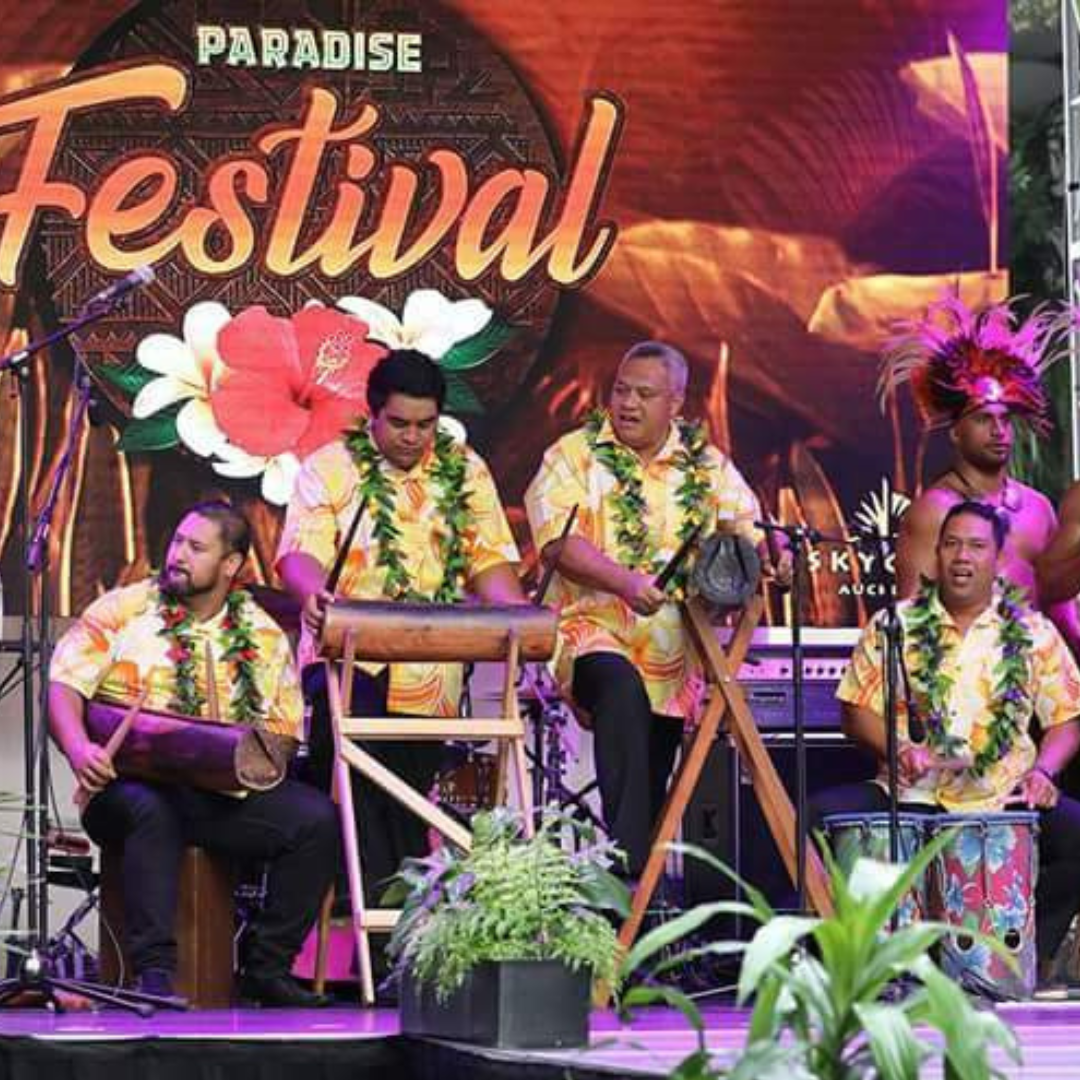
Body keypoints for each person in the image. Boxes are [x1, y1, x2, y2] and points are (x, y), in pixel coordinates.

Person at [49, 501, 338, 1008]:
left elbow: (283, 731)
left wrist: (243, 758)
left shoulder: (264, 636)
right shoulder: (126, 609)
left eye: (196, 547)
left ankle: (265, 968)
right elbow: (63, 688)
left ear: (231, 565)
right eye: (178, 541)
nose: (178, 555)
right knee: (150, 810)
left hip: (218, 794)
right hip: (124, 788)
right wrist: (79, 749)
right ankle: (155, 974)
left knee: (316, 821)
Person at [525, 340, 788, 879]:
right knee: (619, 687)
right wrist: (624, 582)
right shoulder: (571, 455)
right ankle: (624, 873)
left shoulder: (706, 466)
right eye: (621, 390)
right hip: (590, 633)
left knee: (649, 776)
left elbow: (746, 528)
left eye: (645, 394)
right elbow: (557, 542)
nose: (628, 403)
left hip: (674, 658)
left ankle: (632, 910)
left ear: (676, 403)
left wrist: (771, 560)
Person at [276, 349, 526, 903]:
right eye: (399, 424)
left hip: (431, 675)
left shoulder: (465, 469)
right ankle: (366, 942)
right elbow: (300, 554)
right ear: (372, 414)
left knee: (407, 809)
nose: (413, 438)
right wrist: (312, 592)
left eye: (425, 425)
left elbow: (489, 559)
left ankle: (401, 942)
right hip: (347, 662)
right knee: (357, 793)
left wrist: (521, 620)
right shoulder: (331, 467)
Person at [815, 500, 1080, 973]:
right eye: (952, 544)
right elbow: (856, 711)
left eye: (976, 546)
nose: (962, 557)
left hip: (1004, 795)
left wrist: (1043, 771)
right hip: (911, 793)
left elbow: (1065, 721)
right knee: (809, 820)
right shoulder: (895, 626)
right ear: (936, 554)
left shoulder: (1033, 633)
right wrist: (899, 750)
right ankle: (829, 966)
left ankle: (1021, 954)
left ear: (998, 560)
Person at [883, 291, 1080, 652]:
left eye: (1005, 420)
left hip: (1037, 683)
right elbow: (912, 623)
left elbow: (1058, 606)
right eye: (984, 419)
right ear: (956, 431)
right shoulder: (933, 512)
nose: (999, 430)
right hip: (962, 685)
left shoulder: (1037, 508)